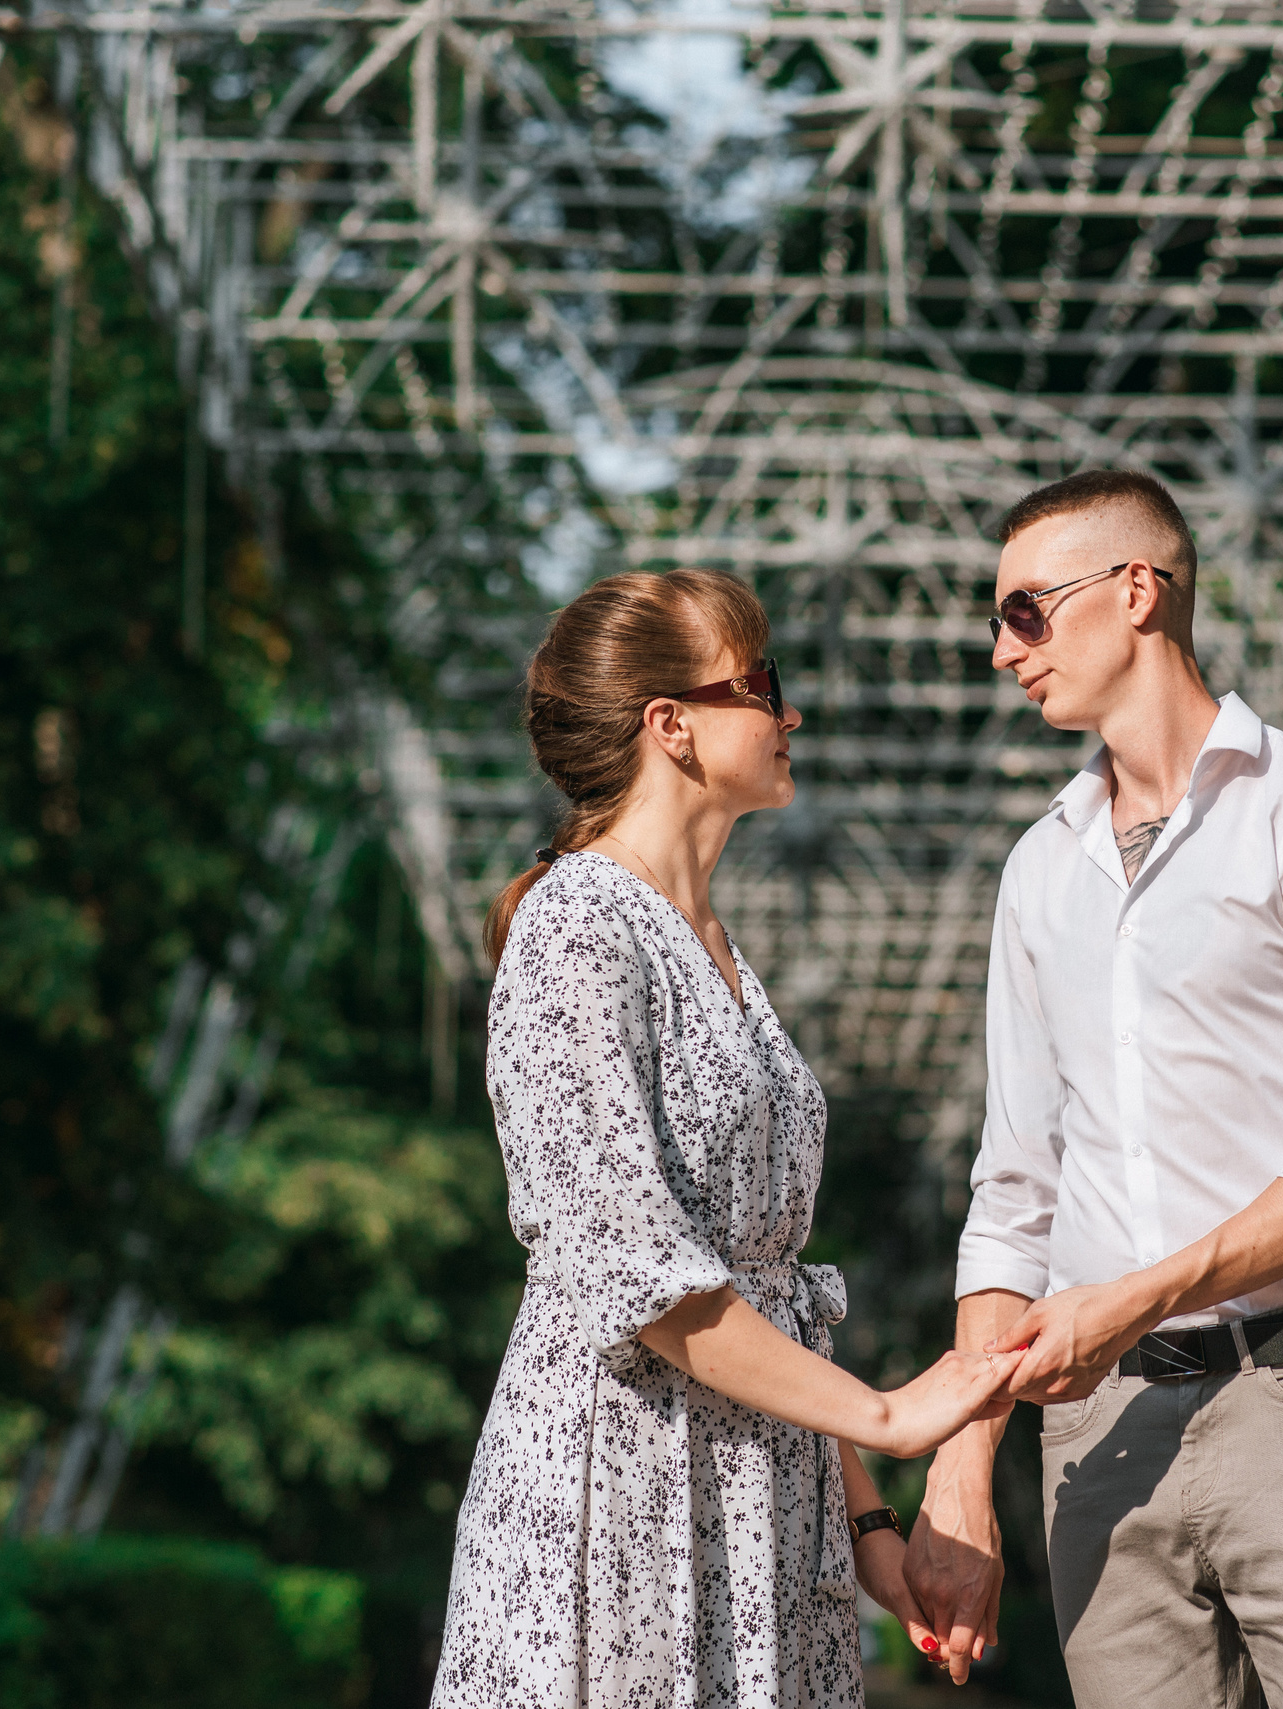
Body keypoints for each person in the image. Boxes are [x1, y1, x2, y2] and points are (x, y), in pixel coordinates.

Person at [902, 472, 1283, 1707]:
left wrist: (1132, 1296)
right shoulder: (1040, 872)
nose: (1002, 651)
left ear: (1136, 592)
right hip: (1096, 1441)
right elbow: (1014, 1193)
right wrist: (961, 1465)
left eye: (1025, 611)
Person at [434, 568, 1012, 1709]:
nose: (789, 714)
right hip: (627, 1487)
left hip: (761, 1499)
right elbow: (644, 1273)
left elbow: (767, 1289)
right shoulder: (575, 925)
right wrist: (892, 1416)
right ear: (673, 725)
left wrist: (869, 1530)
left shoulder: (708, 940)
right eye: (763, 684)